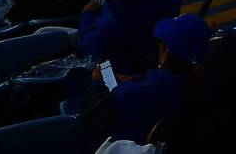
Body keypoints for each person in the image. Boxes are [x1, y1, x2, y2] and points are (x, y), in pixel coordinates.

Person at [82, 12, 209, 146]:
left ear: (165, 53)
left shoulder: (132, 94)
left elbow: (90, 116)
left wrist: (97, 83)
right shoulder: (202, 87)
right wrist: (135, 79)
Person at [78, 0, 182, 73]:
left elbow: (88, 48)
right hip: (156, 49)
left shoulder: (112, 26)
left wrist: (87, 15)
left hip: (126, 67)